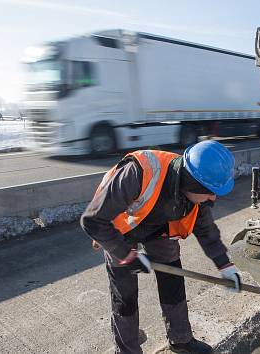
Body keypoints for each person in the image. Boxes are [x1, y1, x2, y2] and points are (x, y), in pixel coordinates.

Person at [81, 141, 241, 354]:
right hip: (117, 230)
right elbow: (92, 221)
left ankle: (181, 339)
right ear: (193, 183)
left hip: (158, 228)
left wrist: (225, 266)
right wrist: (126, 255)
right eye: (210, 192)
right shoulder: (138, 172)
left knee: (173, 280)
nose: (213, 198)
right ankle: (127, 350)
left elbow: (207, 232)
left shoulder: (196, 197)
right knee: (125, 295)